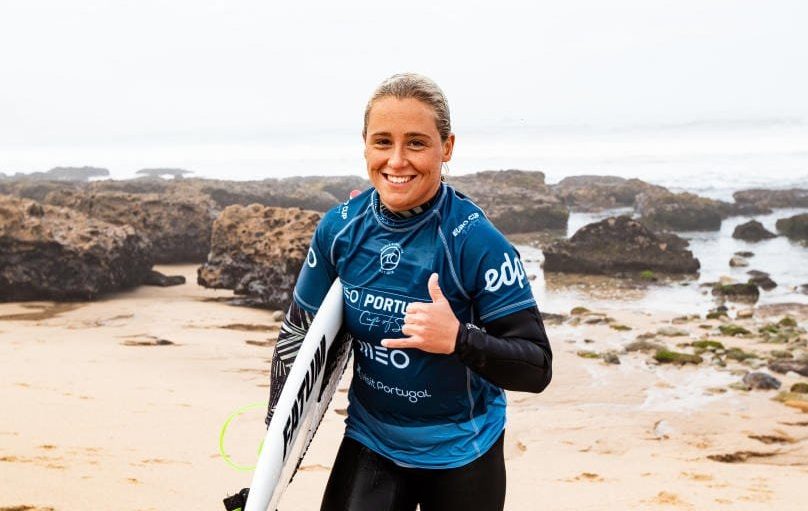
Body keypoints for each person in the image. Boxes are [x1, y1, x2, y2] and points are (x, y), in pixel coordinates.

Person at [266, 73, 553, 511]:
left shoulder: (474, 241)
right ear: (364, 144)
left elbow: (536, 367)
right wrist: (273, 457)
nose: (397, 161)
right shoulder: (341, 229)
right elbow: (297, 340)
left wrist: (459, 339)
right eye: (383, 142)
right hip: (372, 439)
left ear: (447, 148)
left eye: (416, 143)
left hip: (464, 449)